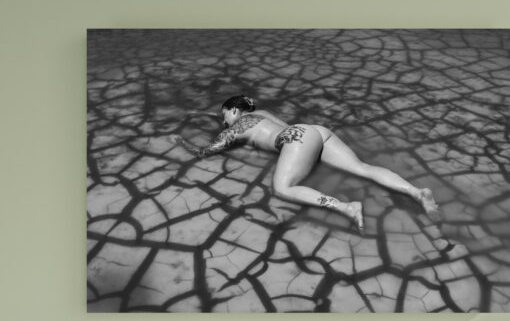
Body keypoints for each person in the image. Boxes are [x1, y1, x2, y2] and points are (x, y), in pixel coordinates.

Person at [170, 95, 442, 235]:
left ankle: (346, 207)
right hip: (314, 131)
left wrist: (182, 142)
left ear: (234, 111)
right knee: (362, 167)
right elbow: (244, 117)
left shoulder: (237, 126)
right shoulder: (260, 113)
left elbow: (206, 151)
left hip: (294, 140)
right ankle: (417, 192)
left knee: (284, 188)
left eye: (224, 116)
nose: (224, 123)